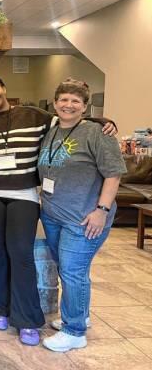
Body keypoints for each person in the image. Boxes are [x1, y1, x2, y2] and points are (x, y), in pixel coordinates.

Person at [0, 75, 117, 346]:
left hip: (24, 194)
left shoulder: (35, 116)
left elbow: (69, 122)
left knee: (21, 253)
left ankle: (27, 319)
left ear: (3, 89)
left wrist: (102, 122)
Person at [37, 80, 126, 352]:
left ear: (85, 107)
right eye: (64, 99)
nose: (69, 105)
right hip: (53, 215)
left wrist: (102, 211)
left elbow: (114, 173)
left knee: (73, 271)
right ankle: (79, 316)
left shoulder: (98, 133)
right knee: (71, 269)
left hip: (84, 218)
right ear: (55, 103)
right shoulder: (51, 131)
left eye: (76, 101)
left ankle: (74, 331)